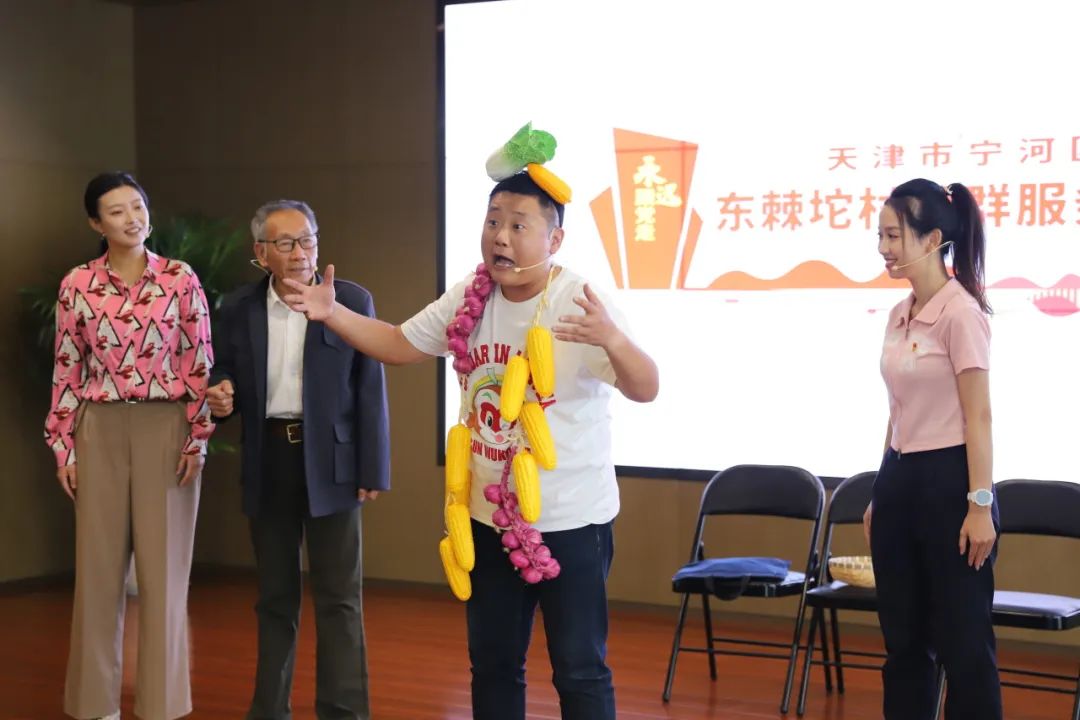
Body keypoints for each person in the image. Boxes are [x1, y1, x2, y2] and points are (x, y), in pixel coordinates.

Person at [281, 127, 659, 720]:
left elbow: (645, 388)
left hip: (571, 520)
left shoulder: (580, 303)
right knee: (493, 665)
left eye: (518, 225)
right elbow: (399, 343)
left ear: (554, 238)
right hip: (488, 518)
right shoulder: (471, 295)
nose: (500, 237)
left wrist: (613, 339)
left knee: (579, 668)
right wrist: (332, 314)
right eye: (492, 221)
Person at [205, 199, 390, 720]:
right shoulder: (239, 307)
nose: (300, 252)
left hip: (333, 463)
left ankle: (343, 712)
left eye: (307, 239)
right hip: (269, 459)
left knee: (339, 598)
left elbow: (370, 387)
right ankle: (269, 711)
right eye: (285, 243)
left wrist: (373, 468)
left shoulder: (349, 299)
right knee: (275, 598)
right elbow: (223, 371)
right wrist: (221, 392)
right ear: (261, 252)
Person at [45, 172, 214, 720]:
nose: (132, 218)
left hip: (167, 427)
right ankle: (94, 705)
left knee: (165, 577)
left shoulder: (180, 279)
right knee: (97, 574)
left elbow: (198, 362)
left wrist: (198, 437)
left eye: (137, 206)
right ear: (96, 224)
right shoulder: (77, 284)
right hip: (98, 428)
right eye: (116, 211)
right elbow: (67, 369)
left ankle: (162, 706)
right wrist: (64, 447)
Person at [864, 178, 1002, 719]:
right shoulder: (899, 313)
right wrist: (881, 492)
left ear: (931, 240)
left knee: (964, 647)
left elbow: (979, 416)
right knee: (903, 645)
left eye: (893, 235)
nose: (883, 247)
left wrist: (980, 504)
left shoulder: (960, 313)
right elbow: (898, 409)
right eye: (880, 235)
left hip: (950, 485)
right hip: (899, 480)